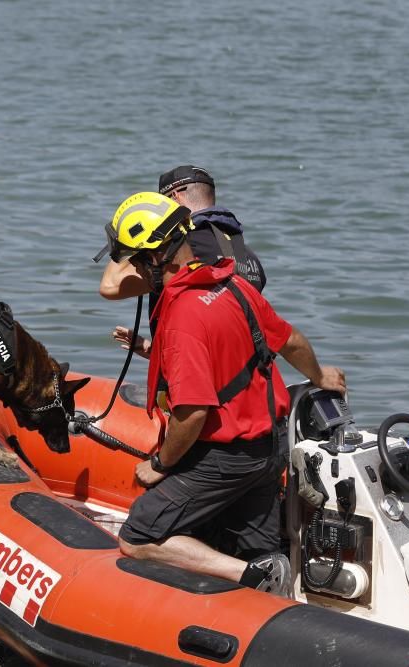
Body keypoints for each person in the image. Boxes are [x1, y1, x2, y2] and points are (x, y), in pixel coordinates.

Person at [94, 192, 346, 596]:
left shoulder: (182, 317)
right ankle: (263, 585)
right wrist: (320, 376)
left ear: (160, 257)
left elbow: (191, 414)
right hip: (268, 449)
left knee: (138, 537)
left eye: (139, 260)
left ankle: (254, 579)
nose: (138, 271)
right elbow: (292, 340)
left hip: (223, 460)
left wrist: (159, 463)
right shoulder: (235, 286)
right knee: (254, 548)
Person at [98, 165, 264, 357]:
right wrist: (151, 349)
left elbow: (109, 286)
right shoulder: (245, 252)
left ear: (176, 198)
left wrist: (128, 230)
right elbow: (219, 344)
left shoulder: (183, 249)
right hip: (245, 375)